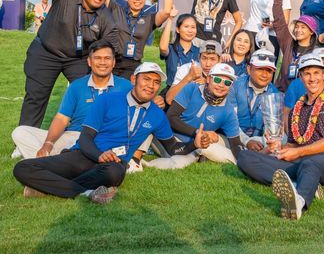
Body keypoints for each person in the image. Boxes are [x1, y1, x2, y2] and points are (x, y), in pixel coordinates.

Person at [13, 63, 204, 204]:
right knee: (23, 168)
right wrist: (99, 154)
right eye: (146, 79)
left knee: (116, 173)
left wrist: (194, 144)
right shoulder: (107, 100)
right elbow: (85, 138)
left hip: (112, 166)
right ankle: (86, 192)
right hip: (84, 155)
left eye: (156, 82)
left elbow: (173, 147)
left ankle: (51, 189)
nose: (151, 86)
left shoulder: (157, 115)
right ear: (133, 80)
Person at [20, 0, 119, 128]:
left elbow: (110, 47)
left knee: (89, 94)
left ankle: (83, 135)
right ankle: (24, 140)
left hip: (77, 58)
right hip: (46, 51)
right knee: (36, 96)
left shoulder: (106, 17)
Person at [236, 54, 324, 220]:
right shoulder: (297, 109)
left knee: (311, 163)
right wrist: (274, 148)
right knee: (245, 157)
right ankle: (303, 182)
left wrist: (299, 152)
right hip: (299, 161)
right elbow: (293, 145)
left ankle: (298, 201)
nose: (313, 78)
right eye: (307, 74)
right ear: (301, 77)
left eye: (317, 73)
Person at [12, 41, 132, 159]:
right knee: (20, 132)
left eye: (107, 58)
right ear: (89, 62)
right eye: (97, 58)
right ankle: (49, 161)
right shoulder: (76, 86)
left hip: (106, 138)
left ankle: (46, 163)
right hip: (74, 136)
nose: (102, 62)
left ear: (114, 62)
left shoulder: (126, 87)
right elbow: (62, 118)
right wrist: (48, 144)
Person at [147, 63, 243, 169]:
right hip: (170, 137)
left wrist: (244, 160)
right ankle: (144, 164)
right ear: (208, 79)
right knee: (179, 163)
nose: (221, 85)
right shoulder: (192, 89)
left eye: (227, 83)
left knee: (234, 156)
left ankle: (201, 155)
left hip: (197, 143)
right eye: (217, 80)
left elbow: (235, 142)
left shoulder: (228, 110)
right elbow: (171, 117)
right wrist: (197, 132)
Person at [99, 0, 174, 79]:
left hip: (133, 67)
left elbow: (167, 11)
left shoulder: (149, 18)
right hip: (111, 63)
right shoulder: (116, 9)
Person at [271, 0, 319, 92]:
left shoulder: (316, 51)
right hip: (283, 92)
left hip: (305, 95)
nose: (298, 30)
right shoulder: (289, 43)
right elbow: (279, 23)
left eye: (303, 27)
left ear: (311, 32)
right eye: (297, 27)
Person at [227, 49, 279, 151]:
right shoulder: (235, 85)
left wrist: (261, 141)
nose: (265, 75)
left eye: (269, 71)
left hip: (258, 140)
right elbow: (229, 121)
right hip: (232, 136)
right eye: (260, 69)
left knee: (280, 139)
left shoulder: (274, 93)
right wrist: (246, 141)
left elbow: (272, 128)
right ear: (249, 69)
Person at [165, 40, 222, 105]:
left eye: (212, 59)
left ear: (220, 60)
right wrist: (188, 77)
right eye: (204, 58)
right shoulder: (186, 68)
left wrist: (207, 84)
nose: (208, 64)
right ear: (199, 57)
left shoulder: (224, 74)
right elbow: (169, 99)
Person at [159, 10, 200, 98]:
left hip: (192, 95)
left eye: (193, 27)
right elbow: (163, 48)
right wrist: (170, 19)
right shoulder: (171, 49)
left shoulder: (199, 52)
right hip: (171, 94)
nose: (190, 30)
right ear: (178, 29)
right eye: (186, 26)